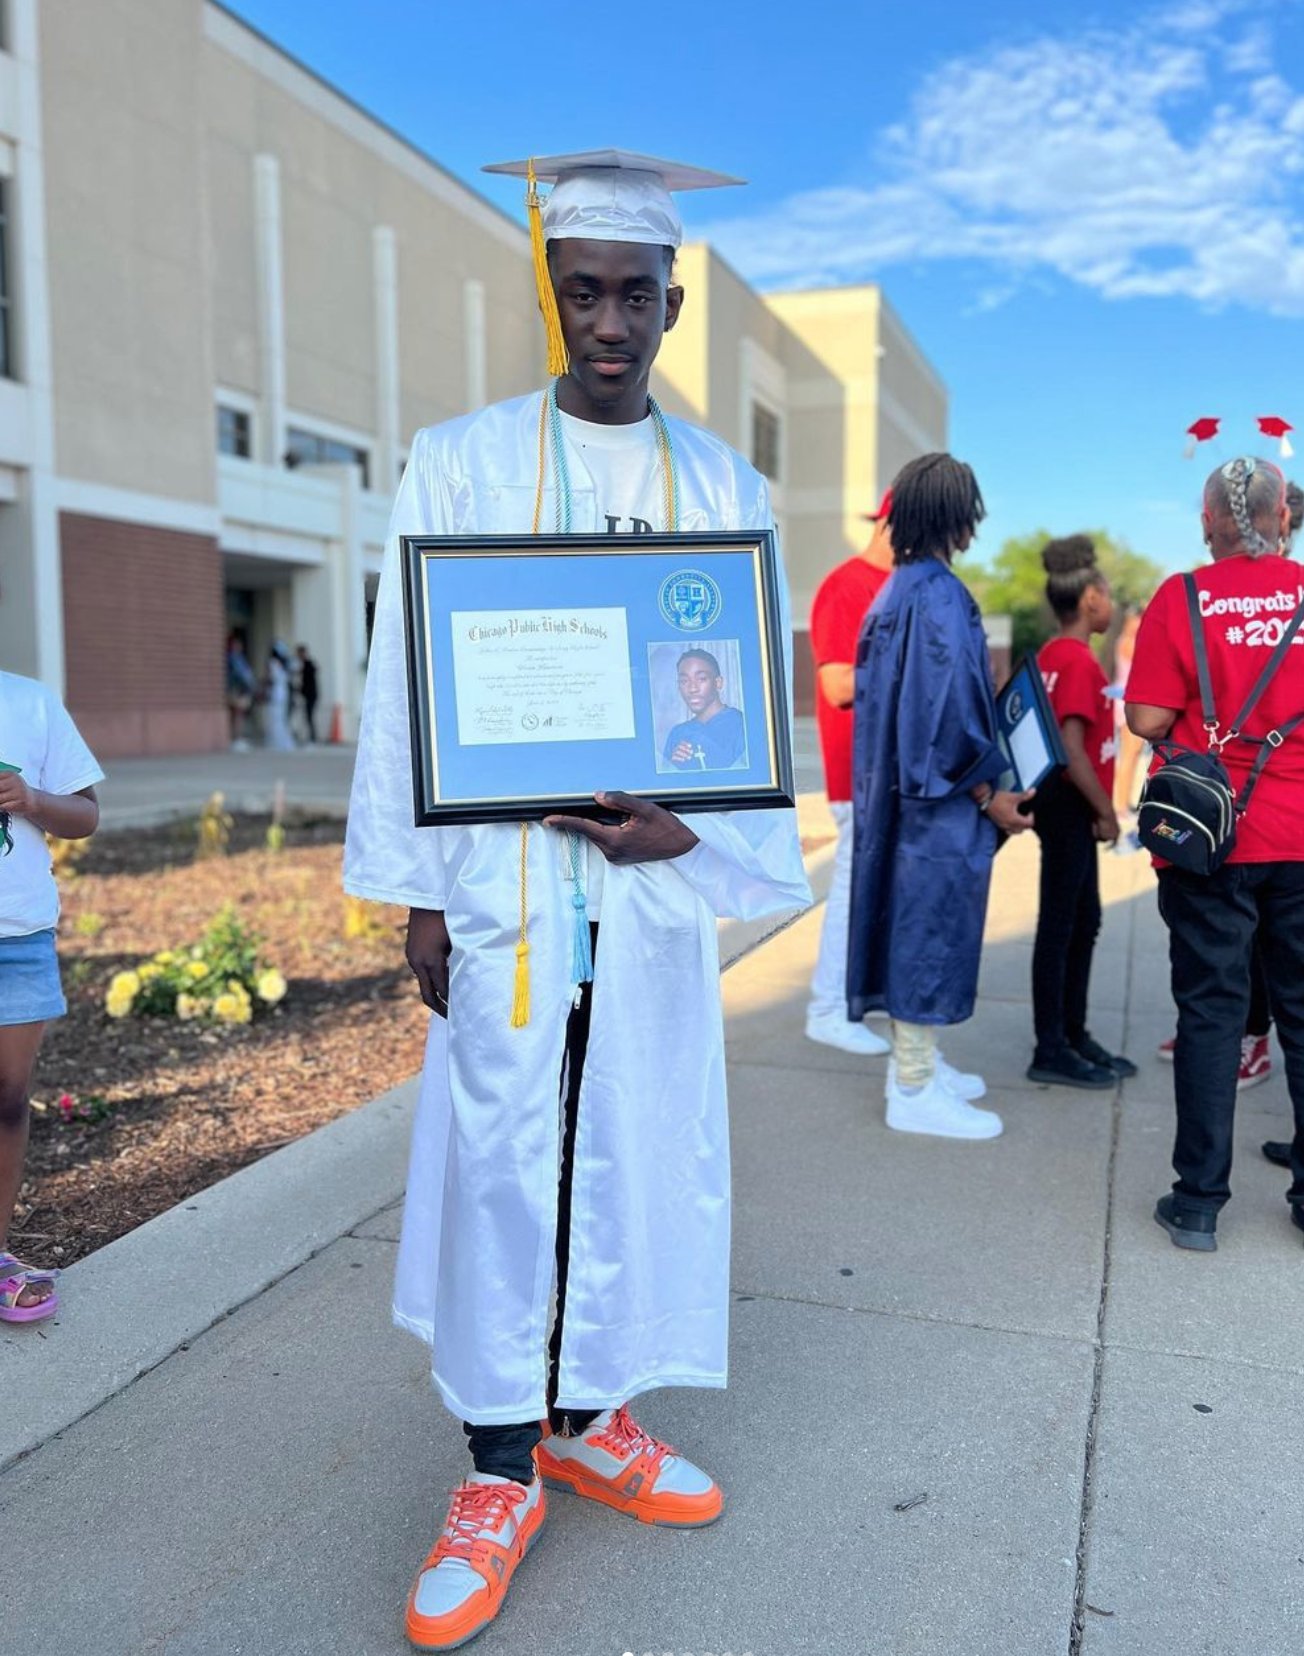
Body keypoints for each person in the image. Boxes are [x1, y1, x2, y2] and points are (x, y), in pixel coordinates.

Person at [343, 148, 810, 1652]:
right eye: (582, 290)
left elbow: (744, 712)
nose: (608, 322)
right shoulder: (462, 462)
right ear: (553, 292)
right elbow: (407, 692)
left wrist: (698, 837)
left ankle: (592, 1417)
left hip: (651, 903)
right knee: (503, 1164)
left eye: (636, 296)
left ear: (676, 305)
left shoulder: (724, 488)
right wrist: (418, 889)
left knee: (633, 1150)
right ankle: (492, 1466)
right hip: (508, 888)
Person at [1126, 456, 1304, 1252]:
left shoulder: (1183, 596)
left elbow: (1148, 717)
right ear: (1284, 519)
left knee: (1210, 1013)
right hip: (1300, 834)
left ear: (1209, 524)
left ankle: (1198, 1201)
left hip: (1212, 840)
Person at [846, 452, 1034, 1140]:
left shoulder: (895, 591)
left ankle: (920, 1060)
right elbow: (947, 717)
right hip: (936, 806)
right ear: (960, 517)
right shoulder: (941, 597)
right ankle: (914, 1086)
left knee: (906, 926)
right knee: (926, 934)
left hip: (897, 798)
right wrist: (990, 796)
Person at [0, 670, 103, 1323]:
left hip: (17, 938)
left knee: (6, 1100)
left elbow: (86, 815)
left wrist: (31, 799)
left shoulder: (29, 701)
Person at [1028, 537, 1136, 1088]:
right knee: (1062, 926)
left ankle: (1073, 1032)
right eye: (1109, 595)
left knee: (1082, 921)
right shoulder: (1077, 663)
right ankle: (1051, 1046)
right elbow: (1071, 751)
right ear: (1091, 598)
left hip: (1064, 806)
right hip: (1071, 806)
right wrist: (1107, 812)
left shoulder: (1052, 654)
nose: (1112, 604)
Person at [804, 491, 895, 1056]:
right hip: (855, 773)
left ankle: (853, 1000)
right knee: (851, 892)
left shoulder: (890, 585)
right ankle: (827, 1008)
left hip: (882, 770)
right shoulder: (848, 585)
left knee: (873, 894)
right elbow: (839, 685)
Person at [661, 649, 746, 770]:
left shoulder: (743, 726)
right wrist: (673, 767)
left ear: (718, 683)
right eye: (684, 681)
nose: (692, 688)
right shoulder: (677, 734)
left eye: (701, 679)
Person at [225, 633, 256, 751]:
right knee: (237, 714)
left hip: (240, 690)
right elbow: (241, 675)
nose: (238, 646)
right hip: (236, 689)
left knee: (239, 714)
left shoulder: (239, 657)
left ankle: (238, 738)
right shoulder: (232, 658)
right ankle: (236, 738)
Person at [263, 642, 295, 751]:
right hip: (283, 692)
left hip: (275, 692)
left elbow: (270, 679)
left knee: (275, 717)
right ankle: (282, 741)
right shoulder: (285, 664)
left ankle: (276, 741)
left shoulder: (272, 663)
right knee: (281, 718)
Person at [295, 644, 320, 745]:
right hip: (308, 694)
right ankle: (311, 737)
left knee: (309, 716)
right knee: (308, 716)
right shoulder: (305, 665)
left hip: (311, 695)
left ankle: (313, 738)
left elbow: (307, 682)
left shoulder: (308, 665)